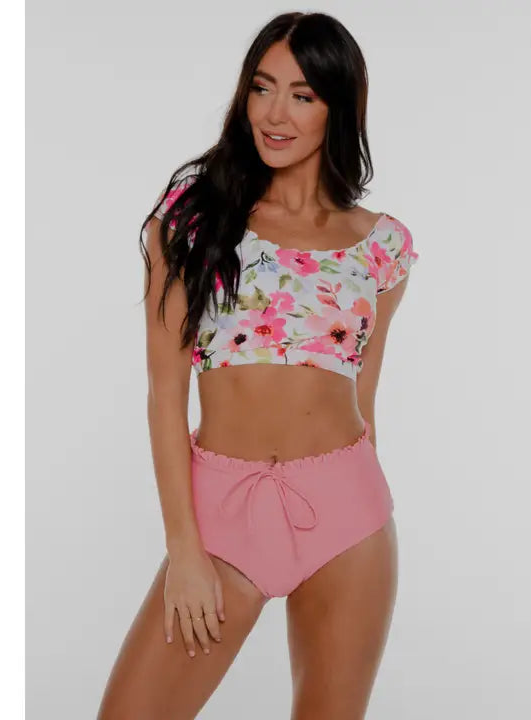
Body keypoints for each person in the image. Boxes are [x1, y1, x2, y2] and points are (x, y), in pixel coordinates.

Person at [97, 11, 418, 720]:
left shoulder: (381, 247)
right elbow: (164, 395)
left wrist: (362, 491)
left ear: (339, 107)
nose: (275, 114)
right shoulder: (194, 220)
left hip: (347, 517)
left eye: (303, 95)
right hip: (221, 517)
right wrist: (184, 551)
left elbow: (364, 398)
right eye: (262, 88)